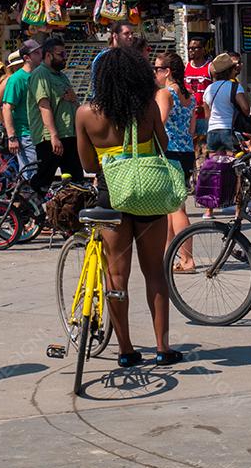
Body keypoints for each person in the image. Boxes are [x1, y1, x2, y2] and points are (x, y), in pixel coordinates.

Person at [75, 47, 182, 367]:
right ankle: (163, 347)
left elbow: (88, 164)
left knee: (116, 276)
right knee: (155, 274)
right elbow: (163, 145)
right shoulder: (147, 107)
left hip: (111, 199)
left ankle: (126, 350)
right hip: (148, 197)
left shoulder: (85, 114)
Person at [155, 51, 197, 272]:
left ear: (167, 71)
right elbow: (191, 128)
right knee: (172, 206)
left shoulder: (165, 93)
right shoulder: (189, 96)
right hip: (186, 151)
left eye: (157, 69)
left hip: (170, 151)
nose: (155, 73)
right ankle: (170, 255)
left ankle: (187, 259)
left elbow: (160, 122)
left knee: (175, 209)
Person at [27, 36, 83, 190]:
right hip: (50, 139)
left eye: (65, 54)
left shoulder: (62, 76)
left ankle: (70, 211)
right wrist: (53, 135)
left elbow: (72, 102)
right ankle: (24, 208)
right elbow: (44, 106)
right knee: (44, 179)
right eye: (61, 55)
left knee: (76, 180)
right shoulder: (40, 74)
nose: (64, 58)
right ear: (48, 55)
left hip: (68, 135)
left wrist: (74, 99)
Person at [0, 40, 42, 176]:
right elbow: (6, 108)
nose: (41, 55)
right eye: (36, 53)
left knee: (38, 175)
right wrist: (12, 137)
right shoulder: (16, 79)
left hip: (39, 134)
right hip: (25, 134)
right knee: (30, 175)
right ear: (26, 58)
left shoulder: (38, 76)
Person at [202, 53, 249, 155]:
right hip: (229, 129)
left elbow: (207, 116)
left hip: (212, 131)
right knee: (230, 161)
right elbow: (246, 109)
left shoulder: (208, 89)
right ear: (230, 70)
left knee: (214, 163)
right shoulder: (235, 87)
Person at [90, 23, 147, 91]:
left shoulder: (130, 55)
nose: (131, 36)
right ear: (115, 36)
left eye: (132, 33)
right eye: (126, 33)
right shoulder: (104, 57)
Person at [183, 36, 213, 153]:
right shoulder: (185, 67)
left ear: (203, 49)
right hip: (189, 116)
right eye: (189, 48)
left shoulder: (210, 68)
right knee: (191, 147)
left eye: (195, 48)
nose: (191, 51)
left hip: (204, 116)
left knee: (204, 148)